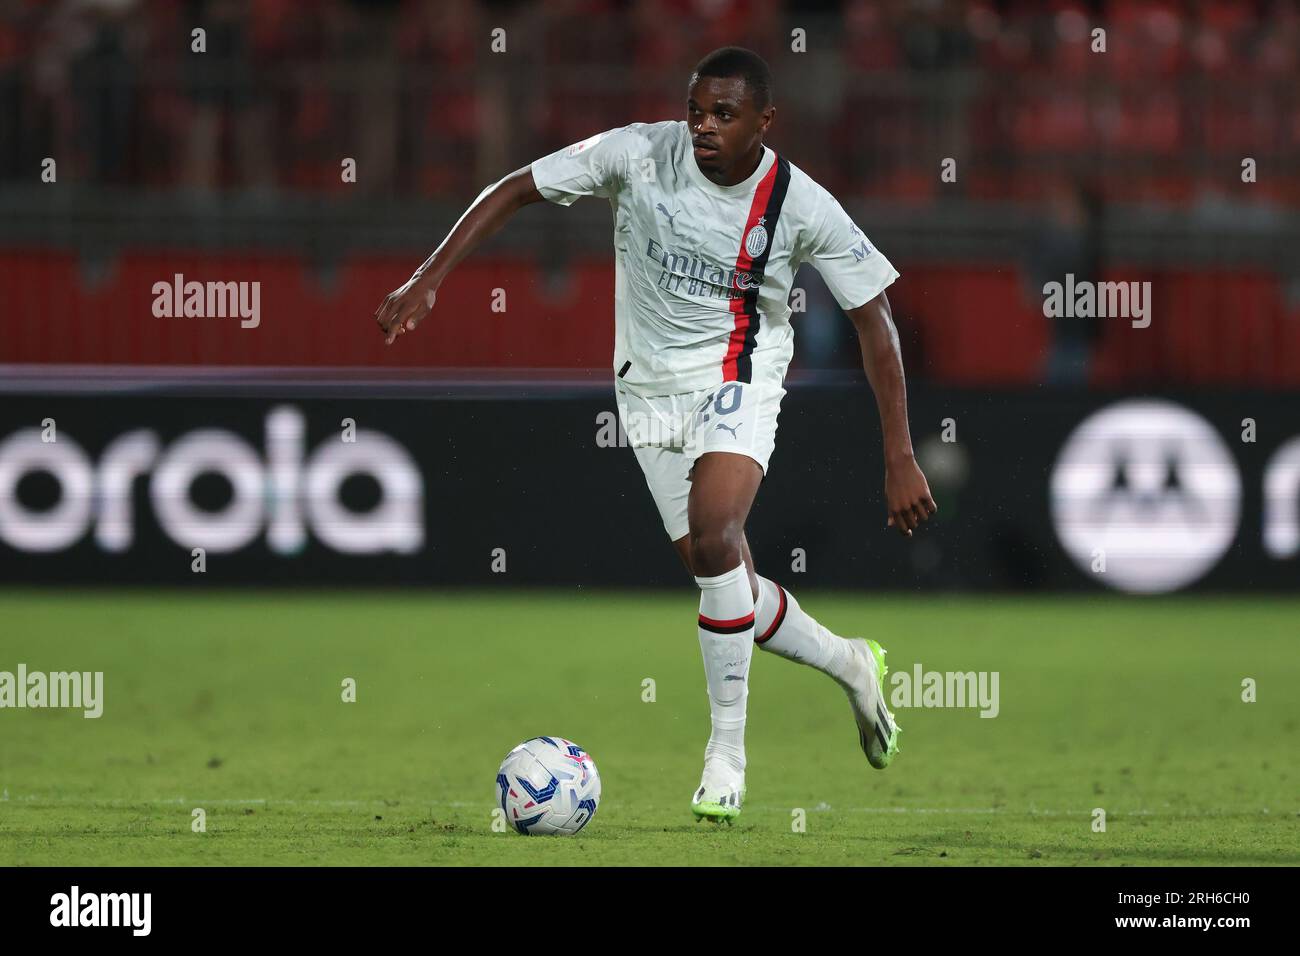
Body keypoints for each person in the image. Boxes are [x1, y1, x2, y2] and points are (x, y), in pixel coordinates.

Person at [374, 47, 937, 823]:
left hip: (739, 379)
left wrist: (900, 454)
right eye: (696, 110)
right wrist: (428, 277)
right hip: (646, 394)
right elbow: (514, 188)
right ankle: (849, 663)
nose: (704, 126)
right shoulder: (636, 153)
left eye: (724, 114)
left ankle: (726, 756)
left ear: (764, 122)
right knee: (722, 575)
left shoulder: (799, 204)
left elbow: (876, 322)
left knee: (717, 536)